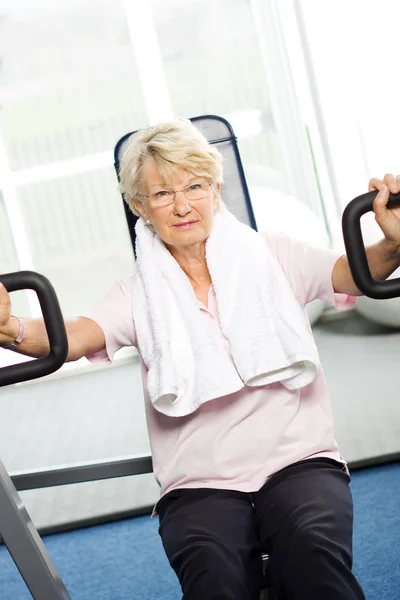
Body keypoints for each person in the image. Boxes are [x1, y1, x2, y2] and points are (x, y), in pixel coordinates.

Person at [1, 118, 400, 600]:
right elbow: (69, 337)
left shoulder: (274, 255)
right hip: (200, 484)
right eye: (163, 194)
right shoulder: (138, 295)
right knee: (215, 581)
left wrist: (394, 243)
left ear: (216, 189)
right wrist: (13, 329)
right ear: (139, 206)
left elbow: (353, 272)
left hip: (299, 461)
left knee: (313, 559)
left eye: (194, 186)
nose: (183, 205)